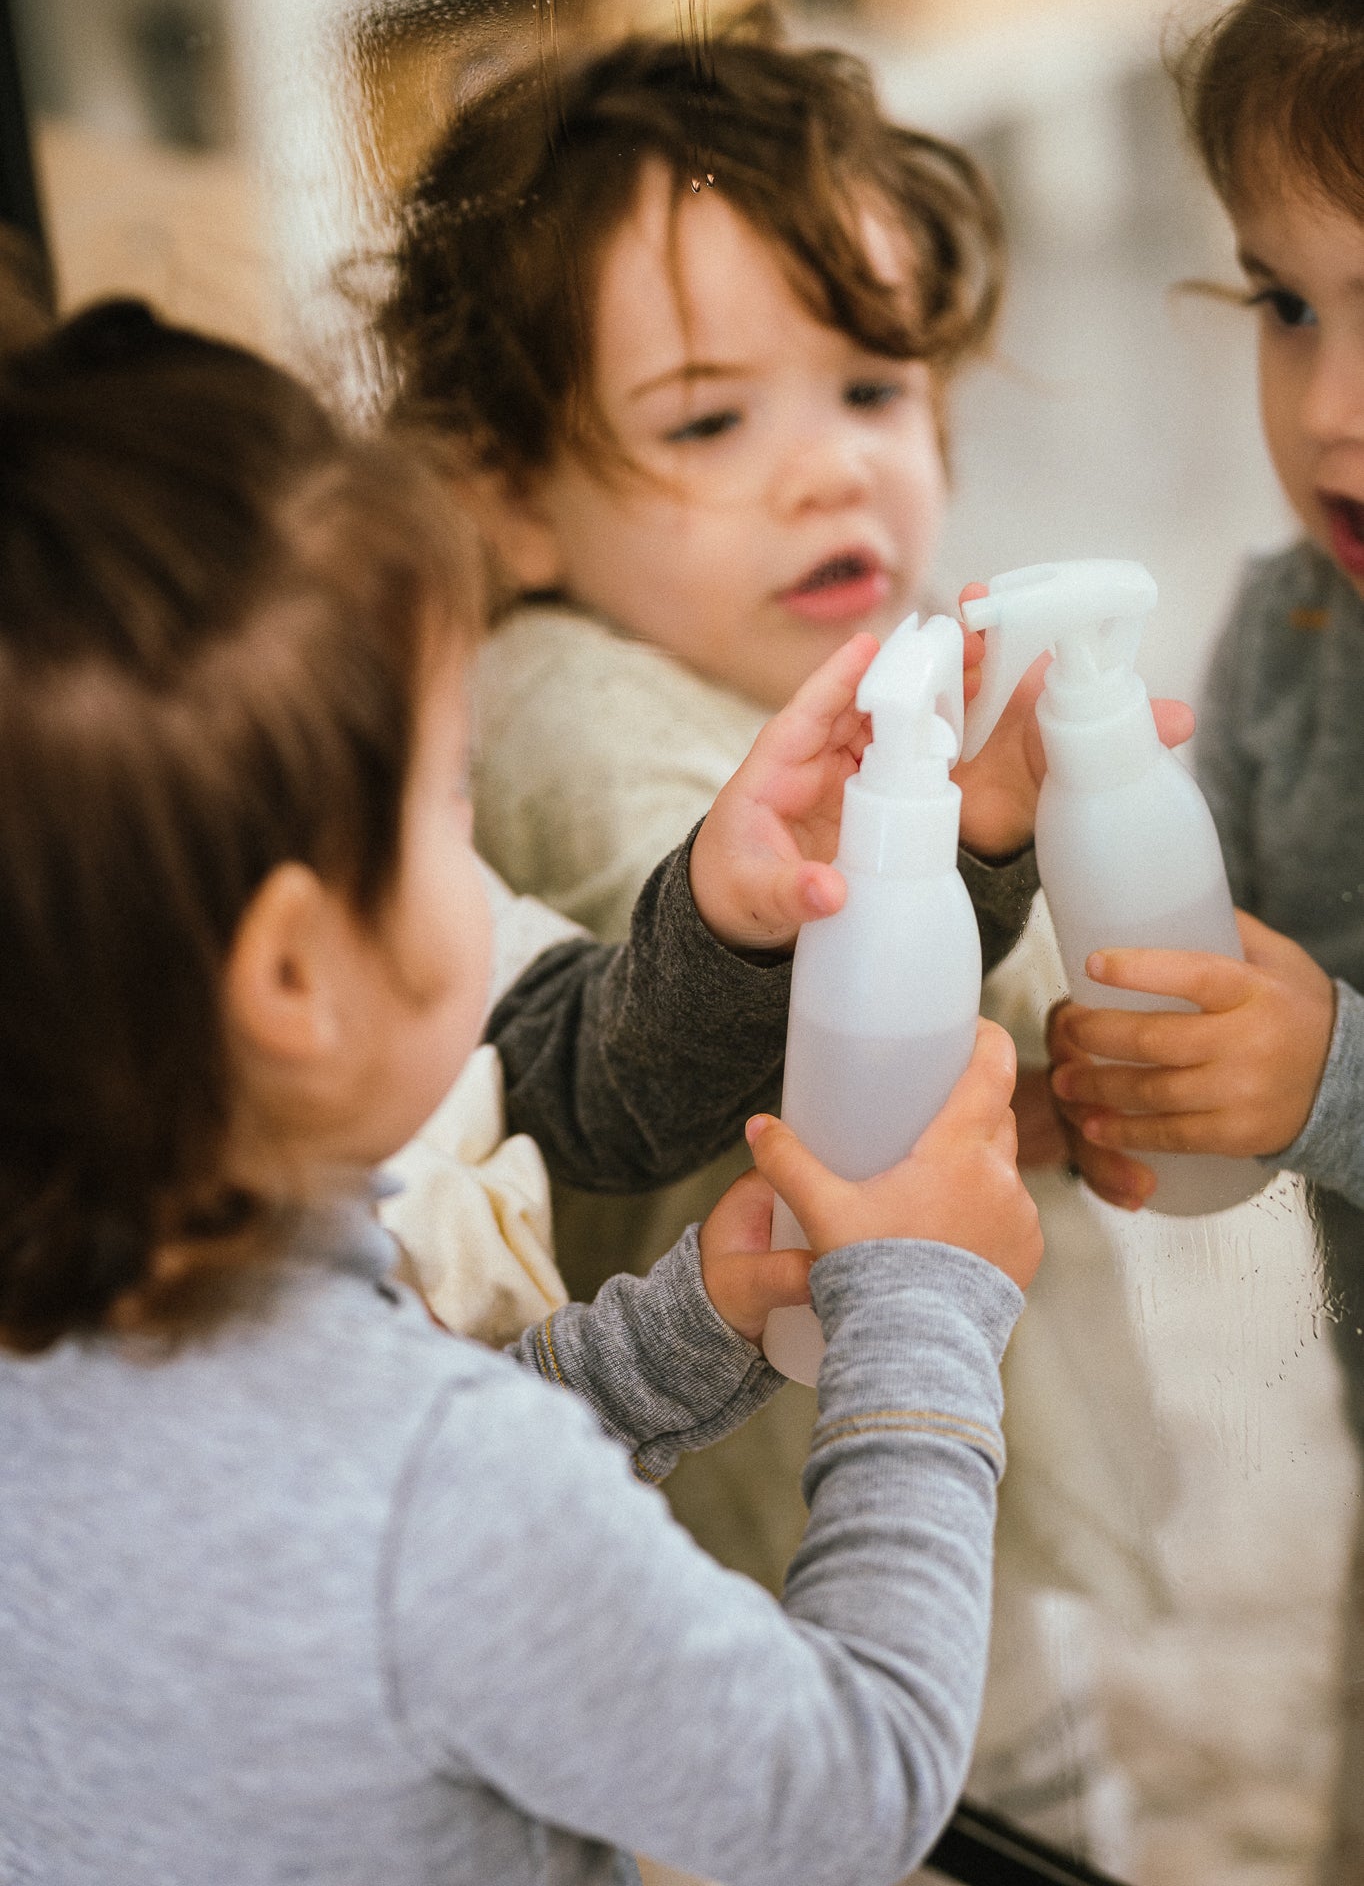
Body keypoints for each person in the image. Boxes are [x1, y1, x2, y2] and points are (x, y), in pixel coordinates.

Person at [0, 296, 1043, 1886]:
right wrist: (928, 1309)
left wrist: (671, 1336)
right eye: (448, 799)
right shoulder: (446, 1499)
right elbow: (850, 1786)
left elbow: (347, 1506)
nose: (475, 857)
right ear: (291, 978)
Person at [376, 26, 1180, 1863]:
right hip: (767, 1495)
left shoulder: (839, 676)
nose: (831, 476)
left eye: (873, 391)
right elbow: (806, 1011)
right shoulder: (561, 713)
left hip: (895, 1423)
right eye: (711, 421)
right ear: (506, 490)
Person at [1044, 0, 1364, 1879]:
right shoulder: (1290, 635)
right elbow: (1217, 994)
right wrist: (1096, 1036)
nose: (1329, 415)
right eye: (1284, 302)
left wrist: (1328, 1070)